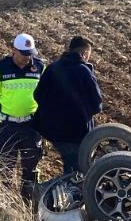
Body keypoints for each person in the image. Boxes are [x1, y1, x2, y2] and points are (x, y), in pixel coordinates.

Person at [34, 35, 105, 176]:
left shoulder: (52, 68)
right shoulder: (84, 72)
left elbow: (38, 95)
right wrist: (83, 115)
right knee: (78, 171)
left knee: (69, 163)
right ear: (84, 53)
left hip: (52, 131)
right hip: (77, 132)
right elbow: (97, 104)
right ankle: (71, 193)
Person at [0, 32, 45, 201]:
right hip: (8, 126)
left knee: (31, 167)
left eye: (31, 54)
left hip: (31, 125)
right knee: (4, 166)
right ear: (14, 50)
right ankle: (4, 202)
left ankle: (28, 202)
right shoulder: (1, 67)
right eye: (24, 54)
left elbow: (46, 96)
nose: (28, 58)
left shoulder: (40, 67)